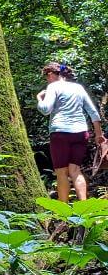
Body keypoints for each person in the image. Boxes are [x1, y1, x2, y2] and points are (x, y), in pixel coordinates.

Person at [37, 62, 104, 202]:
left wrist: (39, 98)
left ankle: (63, 212)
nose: (47, 80)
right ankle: (84, 208)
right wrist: (99, 134)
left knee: (61, 172)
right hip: (80, 133)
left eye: (47, 77)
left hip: (60, 133)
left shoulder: (53, 86)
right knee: (75, 170)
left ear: (50, 74)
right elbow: (93, 112)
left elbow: (45, 110)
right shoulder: (78, 88)